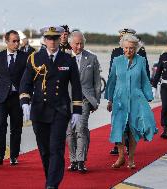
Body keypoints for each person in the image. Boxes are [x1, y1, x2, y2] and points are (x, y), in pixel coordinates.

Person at [19, 26, 82, 189]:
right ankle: (51, 180)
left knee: (56, 148)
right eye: (49, 38)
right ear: (44, 40)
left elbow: (76, 87)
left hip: (59, 110)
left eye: (55, 38)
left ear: (60, 39)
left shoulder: (68, 60)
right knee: (45, 151)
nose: (52, 41)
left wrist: (76, 111)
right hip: (39, 110)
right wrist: (25, 102)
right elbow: (25, 83)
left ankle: (51, 185)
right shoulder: (34, 58)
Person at [105, 34, 156, 169]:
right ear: (122, 47)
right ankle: (121, 156)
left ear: (136, 48)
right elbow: (111, 81)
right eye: (126, 48)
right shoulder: (117, 61)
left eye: (132, 48)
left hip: (136, 98)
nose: (129, 51)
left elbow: (144, 79)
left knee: (134, 128)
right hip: (119, 98)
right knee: (119, 127)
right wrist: (109, 99)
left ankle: (131, 158)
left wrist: (149, 95)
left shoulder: (141, 61)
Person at [0, 30, 27, 165]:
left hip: (17, 98)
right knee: (0, 126)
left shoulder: (25, 57)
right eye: (14, 41)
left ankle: (14, 156)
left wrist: (27, 97)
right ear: (7, 41)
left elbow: (28, 79)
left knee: (16, 128)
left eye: (18, 41)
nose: (17, 43)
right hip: (1, 98)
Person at [66, 30, 101, 173]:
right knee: (69, 131)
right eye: (76, 44)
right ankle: (73, 160)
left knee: (80, 128)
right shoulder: (63, 58)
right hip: (67, 100)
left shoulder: (91, 58)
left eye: (81, 43)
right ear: (70, 44)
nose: (79, 47)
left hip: (85, 100)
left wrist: (96, 101)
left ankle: (81, 161)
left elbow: (97, 82)